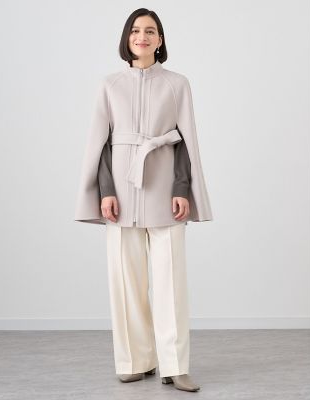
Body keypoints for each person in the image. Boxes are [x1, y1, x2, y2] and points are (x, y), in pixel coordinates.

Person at [74, 8, 213, 393]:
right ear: (127, 38)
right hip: (120, 194)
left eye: (150, 31)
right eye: (136, 30)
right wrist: (105, 191)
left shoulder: (177, 84)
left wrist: (182, 188)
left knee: (171, 284)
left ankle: (175, 365)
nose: (142, 36)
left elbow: (186, 140)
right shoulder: (109, 85)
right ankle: (136, 360)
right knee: (126, 282)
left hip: (165, 191)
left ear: (160, 40)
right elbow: (100, 144)